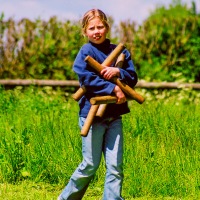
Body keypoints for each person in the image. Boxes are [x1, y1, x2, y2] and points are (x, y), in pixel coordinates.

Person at [58, 9, 138, 200]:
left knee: (115, 166)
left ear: (107, 27)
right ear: (85, 31)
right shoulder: (86, 51)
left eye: (100, 26)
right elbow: (85, 77)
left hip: (114, 116)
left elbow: (132, 77)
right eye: (91, 28)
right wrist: (112, 89)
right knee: (89, 165)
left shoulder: (119, 52)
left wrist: (118, 72)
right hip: (91, 116)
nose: (96, 31)